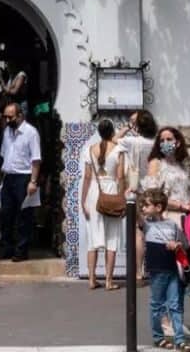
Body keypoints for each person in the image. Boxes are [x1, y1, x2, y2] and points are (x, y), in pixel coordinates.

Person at [82, 117, 128, 289]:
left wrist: (83, 200)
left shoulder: (90, 149)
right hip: (112, 190)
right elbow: (121, 176)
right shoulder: (118, 150)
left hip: (94, 192)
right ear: (112, 132)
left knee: (92, 240)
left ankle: (92, 279)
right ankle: (109, 280)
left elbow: (87, 177)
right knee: (112, 238)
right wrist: (122, 196)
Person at [139, 188, 187, 349]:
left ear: (158, 207)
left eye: (146, 205)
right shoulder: (146, 224)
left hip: (172, 269)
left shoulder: (172, 225)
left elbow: (184, 244)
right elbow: (134, 214)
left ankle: (180, 340)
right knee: (157, 305)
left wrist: (177, 245)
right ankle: (158, 337)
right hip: (157, 271)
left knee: (174, 305)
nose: (143, 208)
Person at [0, 101, 43, 261]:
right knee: (5, 214)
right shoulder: (7, 132)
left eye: (11, 117)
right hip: (9, 177)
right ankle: (6, 248)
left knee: (24, 216)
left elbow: (36, 159)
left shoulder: (31, 133)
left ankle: (21, 250)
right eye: (5, 117)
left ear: (20, 115)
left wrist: (33, 181)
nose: (8, 120)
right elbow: (4, 154)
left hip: (24, 177)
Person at [147, 127, 190, 213]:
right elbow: (152, 195)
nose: (165, 143)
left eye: (169, 139)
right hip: (168, 215)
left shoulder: (184, 166)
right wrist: (179, 205)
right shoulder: (156, 163)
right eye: (162, 141)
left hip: (188, 215)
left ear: (177, 143)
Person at [120, 110, 158, 188]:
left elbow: (114, 139)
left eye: (134, 122)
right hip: (154, 188)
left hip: (136, 187)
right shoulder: (157, 142)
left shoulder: (131, 141)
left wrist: (127, 127)